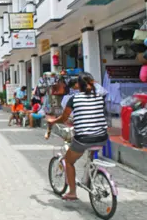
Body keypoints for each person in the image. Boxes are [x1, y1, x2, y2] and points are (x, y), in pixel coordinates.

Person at [45, 72, 108, 201]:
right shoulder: (99, 97)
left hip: (84, 138)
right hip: (102, 137)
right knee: (90, 150)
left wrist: (52, 121)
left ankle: (72, 192)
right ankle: (88, 177)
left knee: (69, 161)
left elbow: (63, 118)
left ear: (78, 85)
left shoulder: (74, 99)